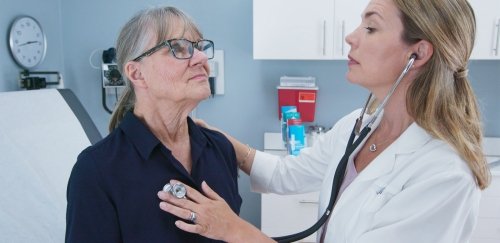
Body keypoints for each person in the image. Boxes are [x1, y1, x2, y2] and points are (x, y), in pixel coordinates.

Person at [157, 0, 492, 242]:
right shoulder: (358, 127)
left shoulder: (445, 175)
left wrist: (234, 229)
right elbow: (285, 176)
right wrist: (220, 140)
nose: (351, 37)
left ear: (417, 54)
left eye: (371, 27)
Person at [65, 6, 242, 243]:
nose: (201, 58)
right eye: (178, 48)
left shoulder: (221, 149)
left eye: (200, 47)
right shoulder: (97, 171)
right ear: (137, 74)